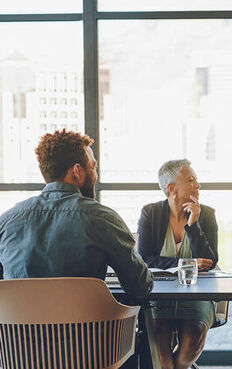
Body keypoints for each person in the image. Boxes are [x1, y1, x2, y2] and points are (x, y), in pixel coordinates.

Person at [0, 129, 153, 299]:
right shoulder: (102, 219)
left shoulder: (7, 221)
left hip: (21, 326)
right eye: (93, 167)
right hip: (85, 326)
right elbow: (140, 286)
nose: (95, 174)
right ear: (77, 171)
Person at [138, 159, 218, 369]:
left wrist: (194, 226)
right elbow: (145, 258)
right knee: (161, 352)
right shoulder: (150, 214)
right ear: (171, 188)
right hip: (158, 297)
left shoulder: (206, 215)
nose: (198, 185)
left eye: (196, 180)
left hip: (197, 297)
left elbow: (210, 261)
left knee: (190, 343)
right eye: (191, 180)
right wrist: (185, 263)